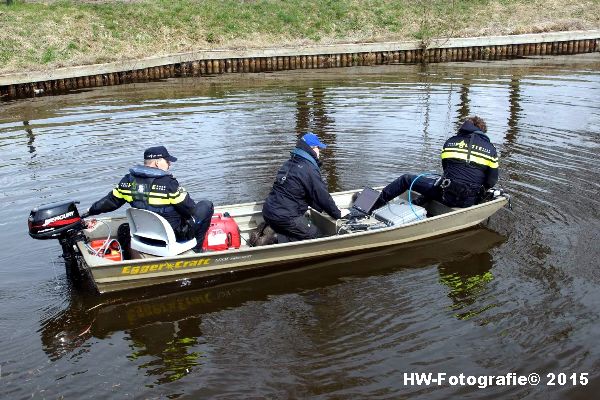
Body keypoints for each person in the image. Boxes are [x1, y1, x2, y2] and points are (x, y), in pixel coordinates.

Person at [85, 146, 214, 253]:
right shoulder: (169, 184)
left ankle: (127, 254)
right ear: (157, 162)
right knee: (206, 206)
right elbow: (190, 209)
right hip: (172, 236)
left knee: (123, 228)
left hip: (143, 235)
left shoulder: (127, 181)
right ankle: (197, 249)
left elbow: (110, 202)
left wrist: (90, 211)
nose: (169, 165)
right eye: (167, 161)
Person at [378, 116, 499, 208]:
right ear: (483, 131)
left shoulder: (451, 142)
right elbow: (491, 182)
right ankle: (417, 203)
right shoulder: (491, 149)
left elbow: (446, 170)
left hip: (446, 194)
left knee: (406, 179)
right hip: (469, 200)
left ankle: (374, 205)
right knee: (440, 183)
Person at [262, 132, 343, 243]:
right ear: (312, 149)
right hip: (286, 217)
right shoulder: (309, 168)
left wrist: (321, 209)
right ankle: (274, 239)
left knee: (298, 228)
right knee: (316, 235)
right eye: (318, 148)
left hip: (268, 212)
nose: (319, 151)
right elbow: (322, 195)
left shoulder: (289, 163)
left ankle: (269, 230)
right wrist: (338, 214)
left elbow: (305, 195)